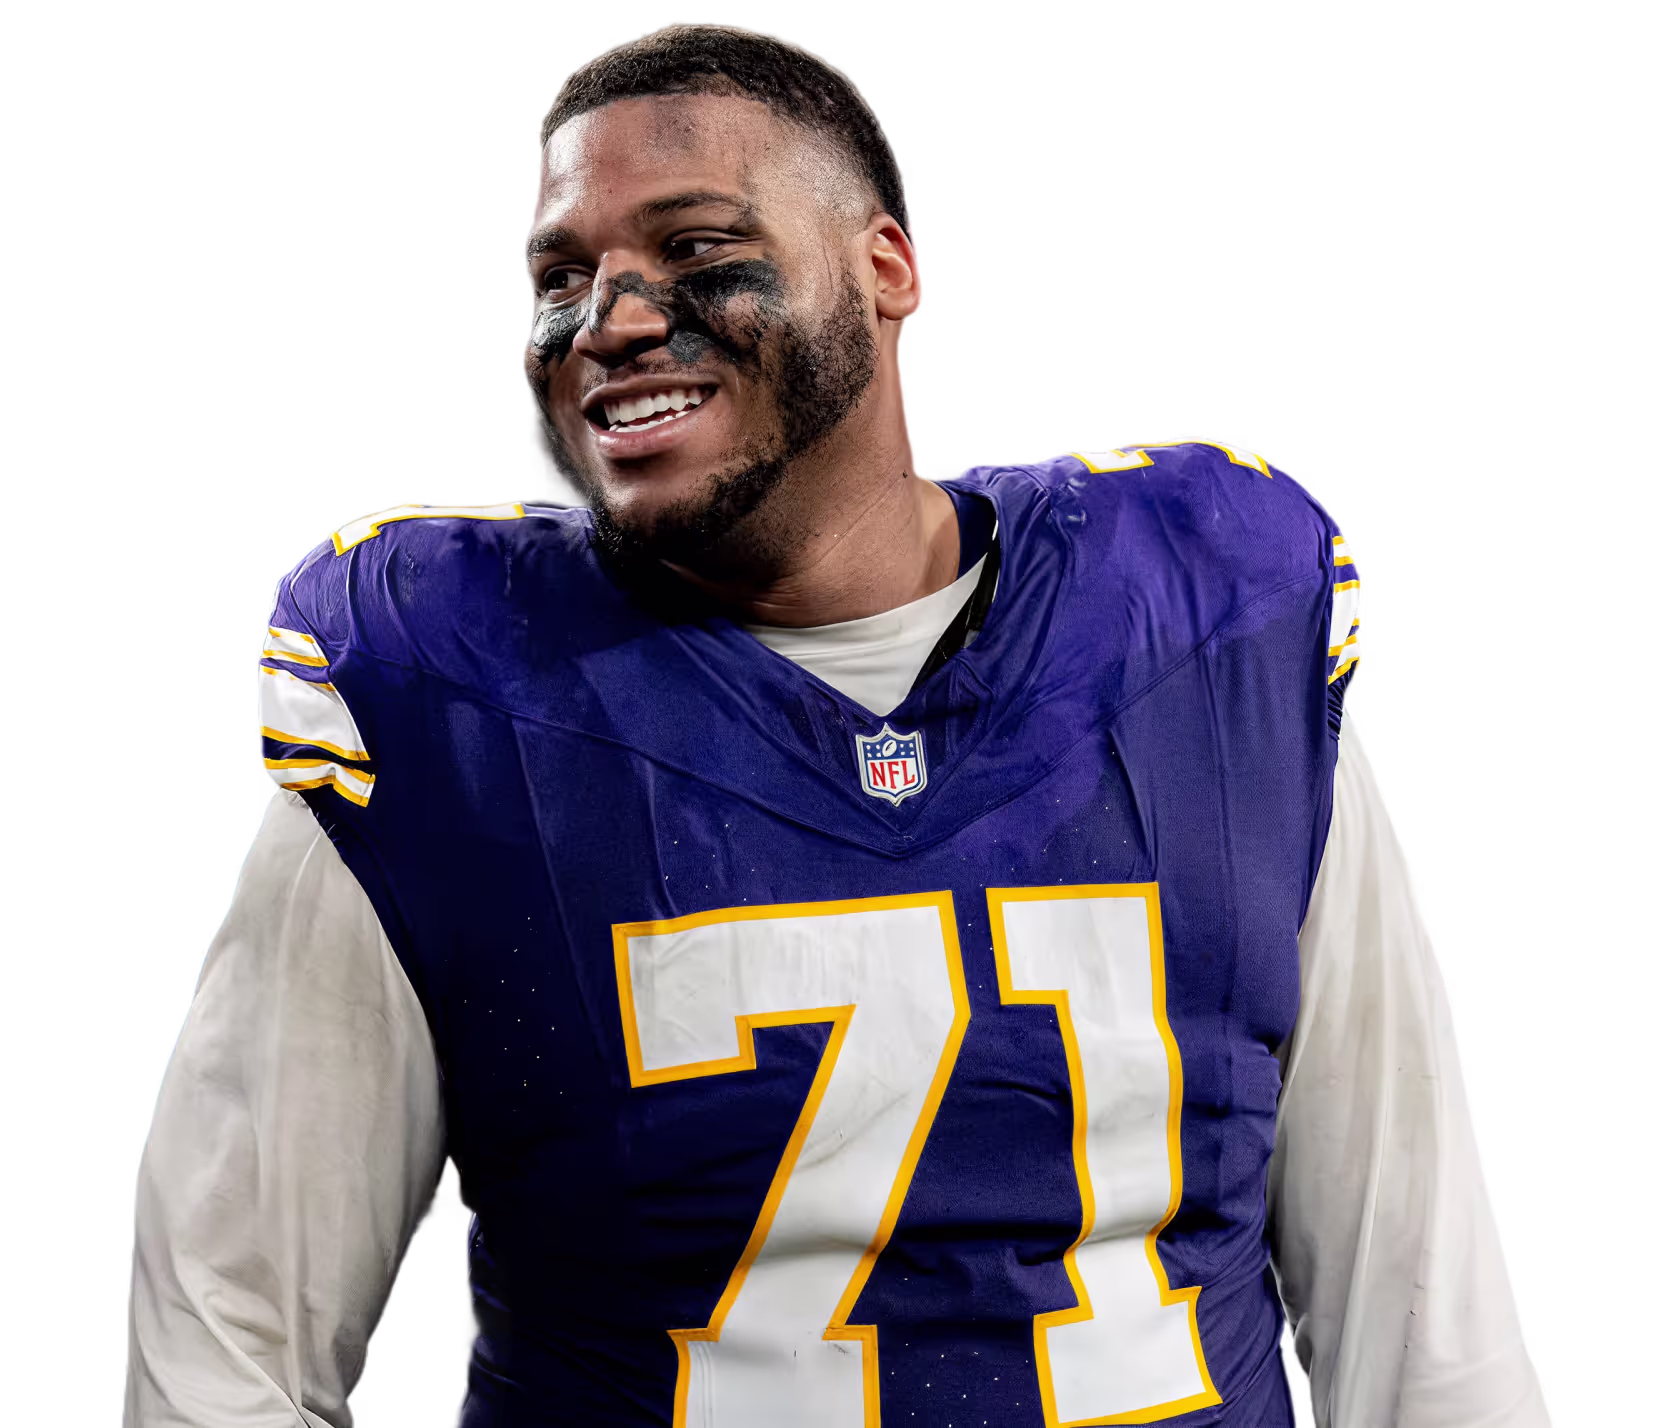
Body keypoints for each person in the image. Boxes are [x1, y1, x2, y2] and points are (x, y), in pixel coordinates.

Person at [123, 20, 1551, 1428]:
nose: (612, 321)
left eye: (694, 247)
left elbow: (1418, 1305)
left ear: (887, 269)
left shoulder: (1204, 633)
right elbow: (227, 1342)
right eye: (563, 276)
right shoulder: (447, 691)